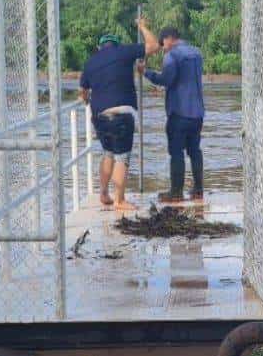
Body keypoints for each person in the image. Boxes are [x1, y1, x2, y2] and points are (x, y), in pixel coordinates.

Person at [79, 17, 159, 211]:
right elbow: (154, 45)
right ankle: (119, 200)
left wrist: (89, 101)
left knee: (108, 153)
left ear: (99, 47)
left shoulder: (90, 62)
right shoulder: (125, 51)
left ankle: (104, 193)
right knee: (122, 157)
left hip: (99, 116)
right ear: (116, 45)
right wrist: (142, 26)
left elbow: (83, 93)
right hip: (122, 114)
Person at [139, 26, 206, 202]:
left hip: (179, 112)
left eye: (163, 44)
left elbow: (165, 79)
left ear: (168, 39)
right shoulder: (196, 53)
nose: (163, 48)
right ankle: (198, 189)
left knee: (176, 152)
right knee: (195, 150)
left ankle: (176, 192)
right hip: (197, 112)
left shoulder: (172, 56)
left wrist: (146, 72)